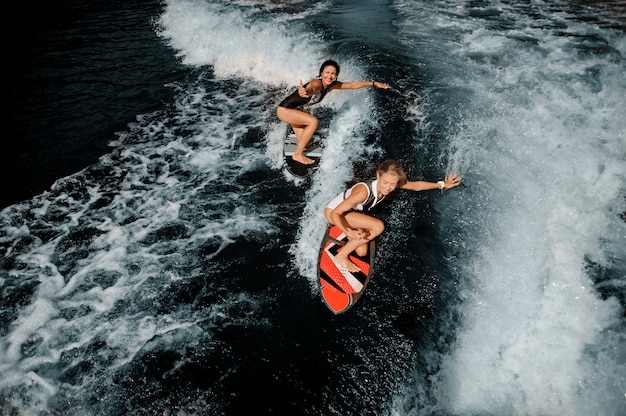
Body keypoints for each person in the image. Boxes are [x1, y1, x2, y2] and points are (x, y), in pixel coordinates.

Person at [324, 160, 461, 273]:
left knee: (361, 252)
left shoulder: (391, 183)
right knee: (378, 226)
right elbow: (336, 212)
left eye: (392, 184)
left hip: (353, 213)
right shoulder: (362, 192)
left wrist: (442, 185)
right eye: (385, 182)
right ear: (378, 175)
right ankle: (340, 256)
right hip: (334, 213)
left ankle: (347, 233)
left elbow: (415, 186)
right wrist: (349, 232)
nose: (388, 188)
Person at [277, 60, 390, 165]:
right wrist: (306, 91)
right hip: (284, 110)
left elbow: (352, 85)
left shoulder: (330, 86)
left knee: (305, 144)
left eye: (333, 73)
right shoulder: (317, 83)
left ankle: (295, 126)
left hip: (295, 110)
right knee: (313, 122)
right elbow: (312, 88)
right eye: (327, 72)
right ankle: (297, 154)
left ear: (336, 76)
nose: (329, 76)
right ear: (321, 73)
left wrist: (374, 83)